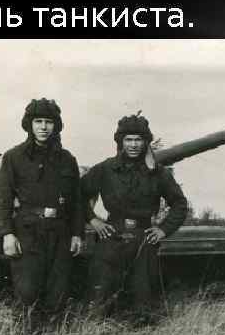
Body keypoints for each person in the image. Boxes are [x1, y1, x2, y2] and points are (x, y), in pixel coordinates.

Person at [80, 112, 188, 320]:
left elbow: (179, 204)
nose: (133, 145)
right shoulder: (106, 169)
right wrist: (93, 220)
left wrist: (163, 230)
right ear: (121, 141)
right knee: (100, 298)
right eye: (128, 139)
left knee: (143, 300)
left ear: (145, 142)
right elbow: (78, 195)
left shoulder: (158, 173)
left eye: (138, 139)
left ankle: (141, 329)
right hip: (111, 236)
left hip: (143, 238)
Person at [0, 98, 84, 331]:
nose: (43, 127)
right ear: (29, 124)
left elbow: (76, 201)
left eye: (49, 122)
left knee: (58, 290)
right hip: (28, 230)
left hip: (60, 232)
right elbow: (3, 198)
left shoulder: (67, 160)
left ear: (56, 125)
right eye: (38, 121)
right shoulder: (14, 157)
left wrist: (77, 234)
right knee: (27, 289)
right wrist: (7, 234)